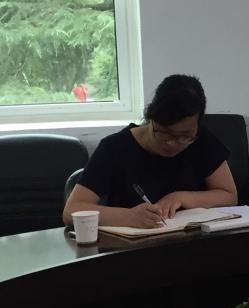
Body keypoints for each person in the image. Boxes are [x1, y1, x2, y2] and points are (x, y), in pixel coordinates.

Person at [62, 74, 237, 228]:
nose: (172, 143)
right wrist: (128, 217)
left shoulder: (201, 140)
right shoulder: (114, 148)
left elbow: (229, 196)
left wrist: (180, 197)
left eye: (184, 136)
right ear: (151, 118)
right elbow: (72, 211)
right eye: (164, 133)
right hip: (133, 249)